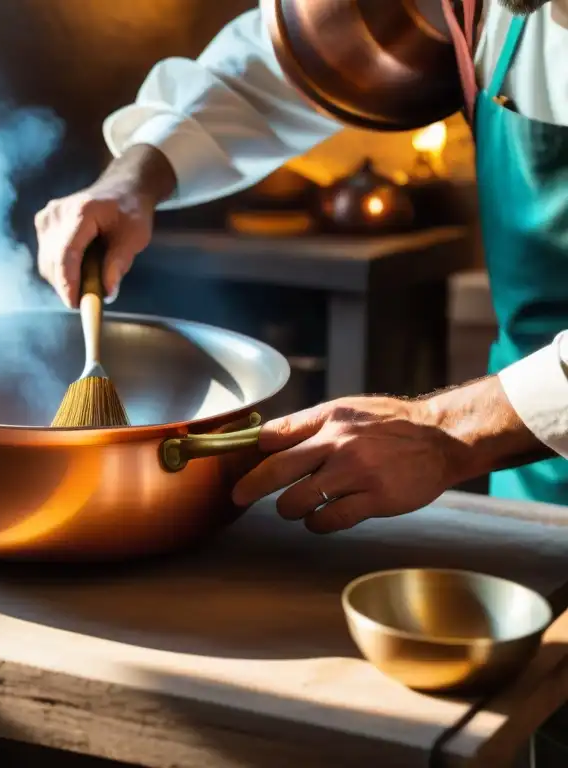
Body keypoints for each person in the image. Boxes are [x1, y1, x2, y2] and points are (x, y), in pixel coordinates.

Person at [34, 0, 568, 532]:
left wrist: (449, 426)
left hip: (511, 421)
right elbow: (271, 73)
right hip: (530, 479)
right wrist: (134, 178)